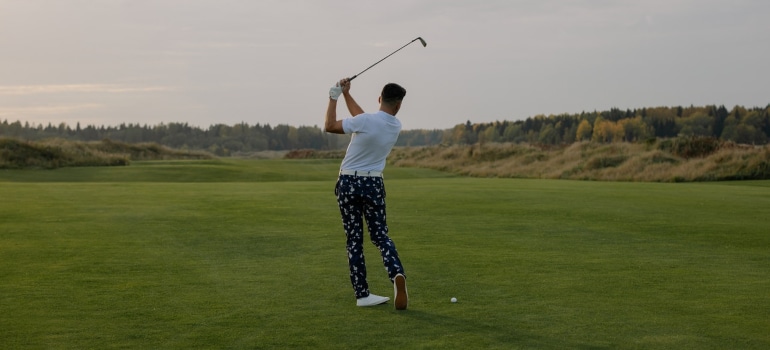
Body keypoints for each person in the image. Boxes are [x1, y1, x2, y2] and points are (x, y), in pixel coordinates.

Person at [324, 78, 408, 310]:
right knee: (381, 236)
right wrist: (347, 94)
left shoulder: (366, 121)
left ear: (379, 99)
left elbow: (330, 126)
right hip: (373, 183)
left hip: (349, 181)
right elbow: (363, 119)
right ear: (398, 105)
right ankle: (396, 273)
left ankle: (362, 295)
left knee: (354, 240)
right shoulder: (394, 125)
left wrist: (334, 97)